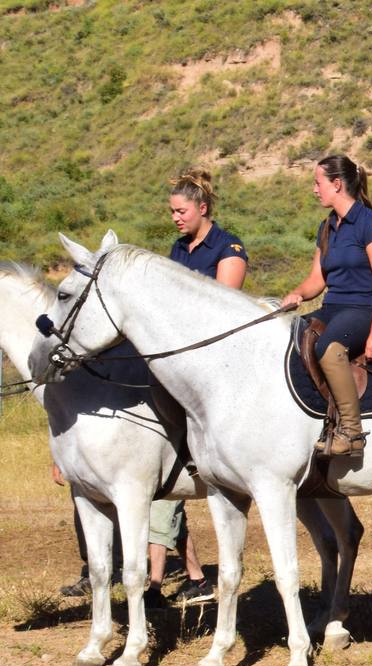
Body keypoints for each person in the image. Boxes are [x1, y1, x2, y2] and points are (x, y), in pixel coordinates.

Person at [154, 168, 245, 603]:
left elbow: (223, 309)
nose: (175, 217)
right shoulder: (177, 248)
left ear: (202, 208)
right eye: (171, 211)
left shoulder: (228, 247)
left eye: (181, 210)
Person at [281, 155, 372, 457]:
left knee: (329, 348)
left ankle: (352, 433)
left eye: (318, 183)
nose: (314, 189)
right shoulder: (327, 227)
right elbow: (316, 280)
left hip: (362, 309)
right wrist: (297, 295)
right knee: (285, 338)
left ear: (337, 184)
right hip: (332, 307)